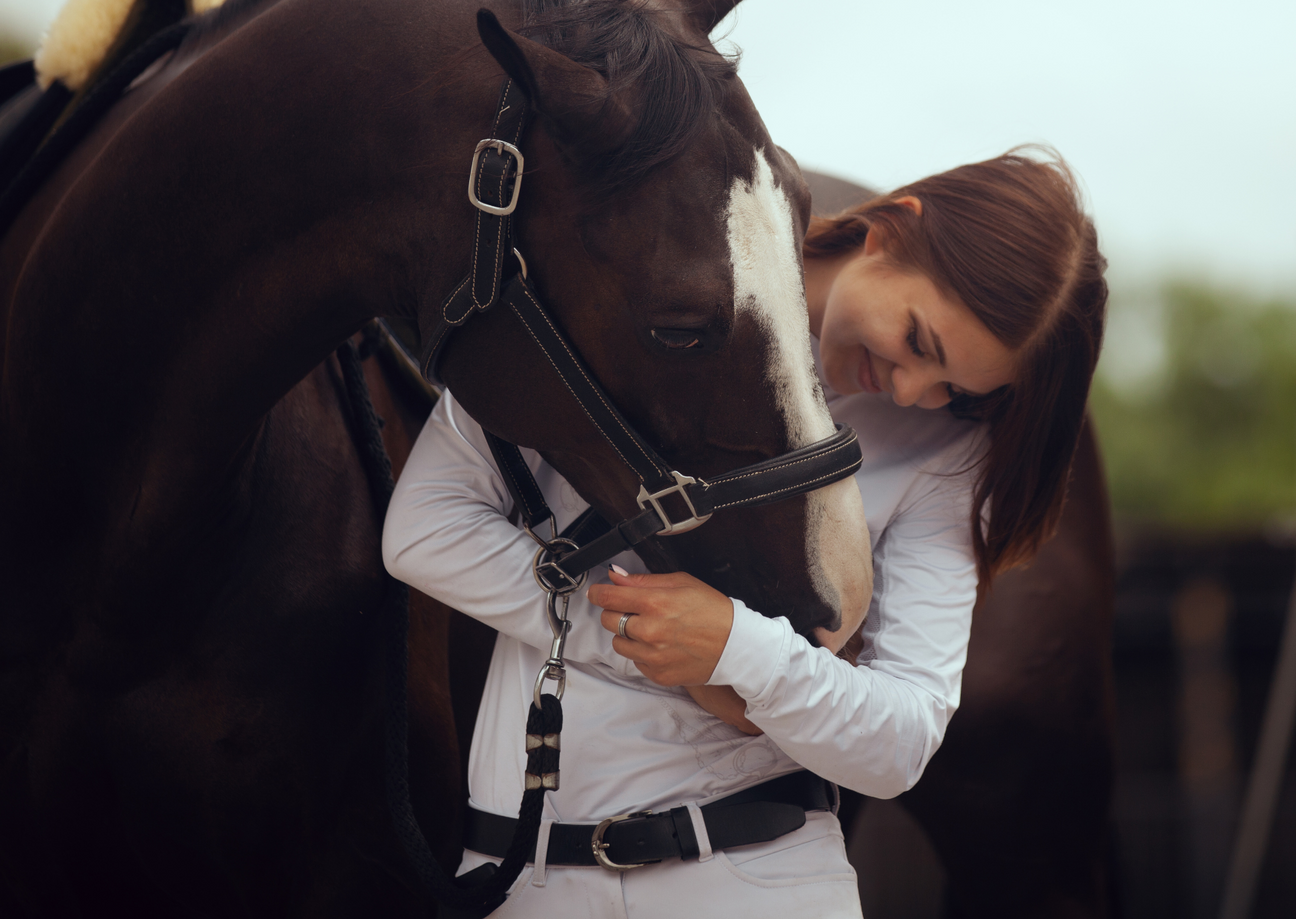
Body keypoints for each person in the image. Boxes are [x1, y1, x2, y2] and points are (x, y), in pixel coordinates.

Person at [382, 148, 1107, 918]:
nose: (911, 391)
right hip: (516, 877)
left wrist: (739, 647)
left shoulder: (946, 450)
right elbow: (425, 529)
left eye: (958, 391)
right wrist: (666, 649)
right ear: (893, 229)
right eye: (921, 343)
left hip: (755, 879)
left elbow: (900, 740)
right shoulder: (641, 279)